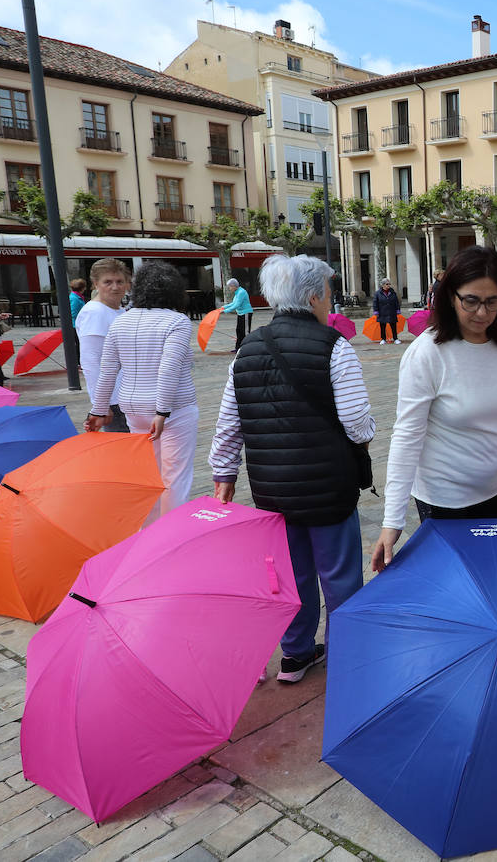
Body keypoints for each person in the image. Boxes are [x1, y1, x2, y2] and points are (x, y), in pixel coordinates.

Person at [209, 254, 376, 684]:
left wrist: (224, 474)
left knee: (290, 574)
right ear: (315, 296)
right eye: (329, 292)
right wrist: (366, 436)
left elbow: (229, 423)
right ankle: (347, 656)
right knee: (339, 576)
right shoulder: (334, 346)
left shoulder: (247, 350)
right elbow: (357, 423)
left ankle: (295, 654)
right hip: (328, 488)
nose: (330, 299)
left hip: (272, 489)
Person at [372, 246, 497, 573]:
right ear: (450, 296)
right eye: (471, 301)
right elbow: (407, 437)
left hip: (491, 490)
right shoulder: (427, 353)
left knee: (487, 574)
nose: (482, 313)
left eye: (492, 301)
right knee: (453, 581)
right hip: (442, 499)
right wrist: (392, 521)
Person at [86, 261, 199, 521]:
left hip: (133, 408)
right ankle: (172, 532)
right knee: (176, 477)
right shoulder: (177, 321)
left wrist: (98, 410)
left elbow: (107, 371)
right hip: (174, 409)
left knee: (149, 475)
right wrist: (162, 411)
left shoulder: (120, 322)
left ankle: (148, 530)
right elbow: (169, 368)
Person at [76, 259, 132, 433]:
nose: (115, 287)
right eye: (108, 282)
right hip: (114, 399)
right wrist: (101, 405)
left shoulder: (119, 310)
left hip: (127, 395)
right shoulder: (94, 312)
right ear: (95, 284)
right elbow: (91, 362)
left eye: (119, 282)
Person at [222, 278, 254, 351]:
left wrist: (226, 311)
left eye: (230, 286)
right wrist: (224, 307)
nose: (229, 288)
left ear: (234, 286)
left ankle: (246, 348)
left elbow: (237, 304)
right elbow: (233, 303)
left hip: (246, 313)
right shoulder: (237, 292)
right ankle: (238, 348)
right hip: (240, 313)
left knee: (245, 331)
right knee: (239, 330)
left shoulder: (241, 292)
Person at [373, 279, 401, 344]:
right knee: (382, 326)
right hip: (382, 311)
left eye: (389, 284)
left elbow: (396, 302)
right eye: (387, 284)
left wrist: (398, 310)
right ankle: (383, 339)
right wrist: (376, 311)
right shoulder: (378, 293)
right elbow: (375, 302)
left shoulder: (392, 292)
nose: (388, 285)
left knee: (393, 326)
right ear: (383, 285)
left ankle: (395, 338)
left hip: (392, 311)